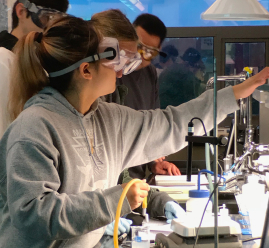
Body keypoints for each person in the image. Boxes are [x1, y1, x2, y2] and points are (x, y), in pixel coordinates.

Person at [0, 14, 268, 248]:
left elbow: (172, 124)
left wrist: (237, 93)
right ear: (85, 70)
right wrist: (117, 200)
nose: (120, 74)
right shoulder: (34, 127)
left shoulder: (108, 119)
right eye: (114, 64)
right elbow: (34, 216)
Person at [103, 13, 180, 181]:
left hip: (134, 180)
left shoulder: (150, 73)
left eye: (149, 52)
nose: (140, 56)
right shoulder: (108, 70)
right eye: (138, 46)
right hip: (107, 179)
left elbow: (150, 125)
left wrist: (154, 161)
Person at [0, 0, 69, 138]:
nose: (49, 28)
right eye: (46, 17)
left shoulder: (46, 63)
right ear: (21, 11)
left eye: (57, 21)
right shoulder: (3, 58)